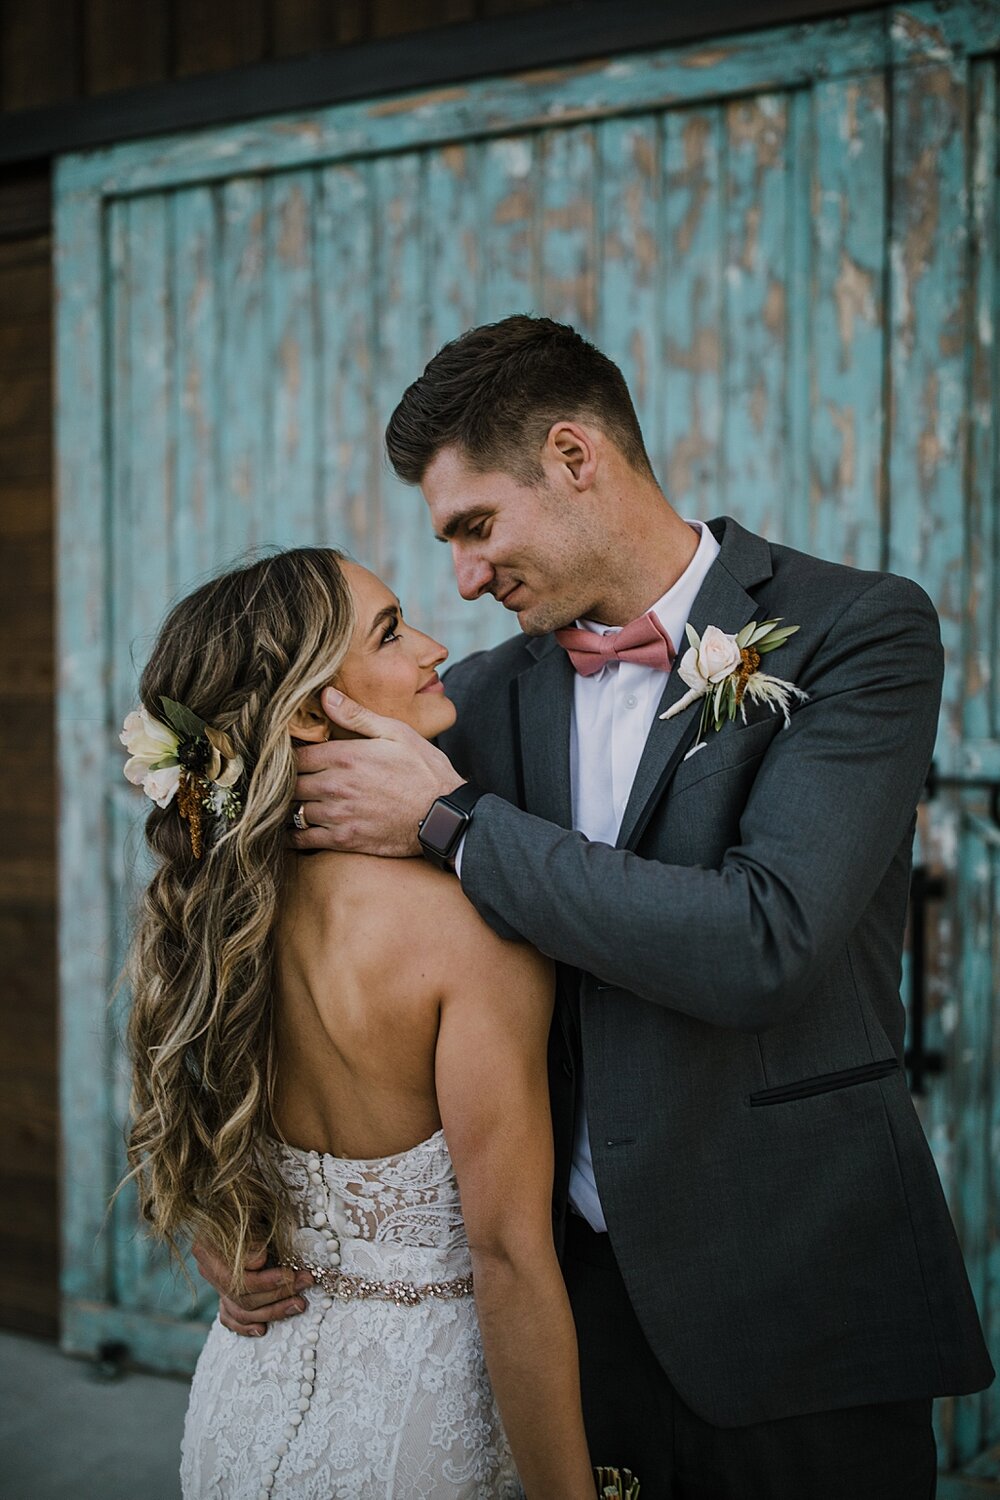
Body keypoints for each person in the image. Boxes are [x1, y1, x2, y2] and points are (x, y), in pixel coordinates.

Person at [199, 317, 993, 1499]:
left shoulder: (857, 631)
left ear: (573, 457)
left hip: (798, 1299)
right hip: (563, 1320)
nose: (462, 578)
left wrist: (456, 825)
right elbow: (251, 912)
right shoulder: (463, 699)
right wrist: (231, 1199)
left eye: (474, 527)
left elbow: (765, 940)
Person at [120, 546, 597, 1500]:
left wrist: (222, 1250)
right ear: (306, 710)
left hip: (244, 1408)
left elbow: (192, 1143)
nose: (431, 647)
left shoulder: (212, 917)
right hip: (420, 1433)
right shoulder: (469, 930)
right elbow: (508, 1258)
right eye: (389, 633)